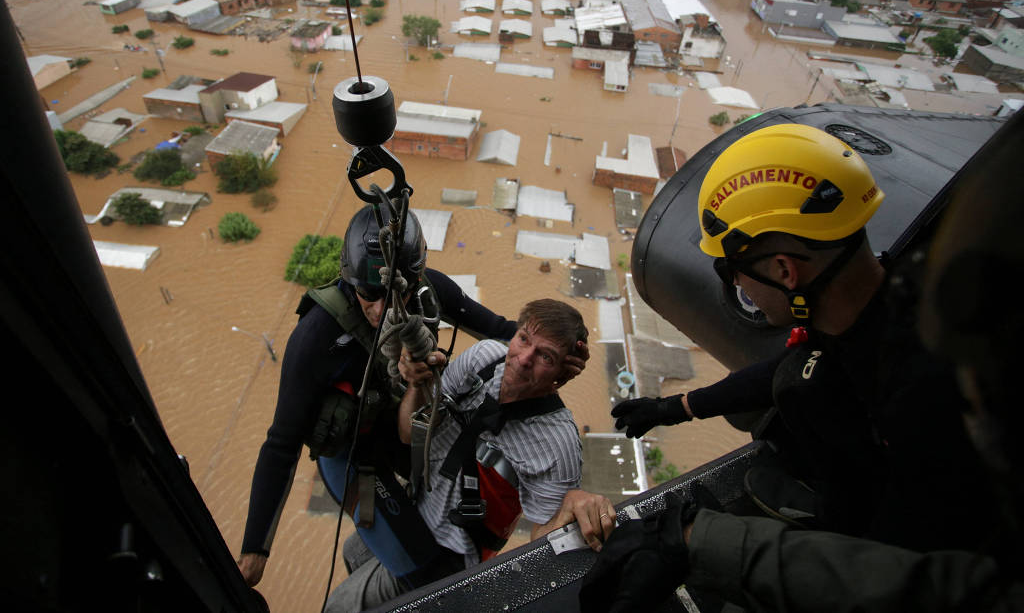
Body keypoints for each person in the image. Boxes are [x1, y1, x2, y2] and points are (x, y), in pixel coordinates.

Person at [579, 118, 1024, 612]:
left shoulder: (926, 401)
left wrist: (702, 543)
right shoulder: (884, 304)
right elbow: (795, 366)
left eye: (734, 273)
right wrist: (675, 407)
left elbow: (893, 572)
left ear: (784, 271)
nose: (741, 290)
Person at [237, 206, 587, 589]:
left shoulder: (428, 292)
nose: (382, 308)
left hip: (410, 436)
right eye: (370, 294)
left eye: (395, 293)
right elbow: (281, 443)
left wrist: (563, 356)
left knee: (416, 542)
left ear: (416, 276)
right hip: (354, 455)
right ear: (348, 279)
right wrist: (256, 549)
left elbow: (506, 334)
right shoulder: (316, 337)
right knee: (430, 579)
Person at [326, 298, 615, 611]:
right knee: (354, 552)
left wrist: (570, 507)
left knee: (339, 607)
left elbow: (544, 544)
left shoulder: (557, 443)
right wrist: (417, 382)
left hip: (448, 555)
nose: (523, 359)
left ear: (561, 374)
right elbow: (410, 433)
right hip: (416, 506)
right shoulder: (484, 358)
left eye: (545, 356)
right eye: (523, 339)